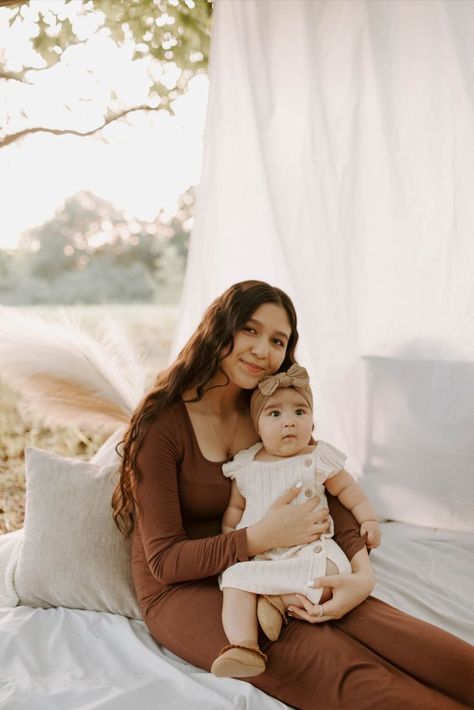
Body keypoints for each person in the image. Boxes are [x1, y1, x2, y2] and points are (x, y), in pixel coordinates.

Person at [112, 280, 473, 709]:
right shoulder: (164, 425)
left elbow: (328, 495)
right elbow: (165, 562)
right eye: (249, 329)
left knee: (415, 643)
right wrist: (262, 536)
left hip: (280, 562)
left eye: (277, 340)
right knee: (343, 671)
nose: (262, 350)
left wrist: (361, 577)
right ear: (218, 329)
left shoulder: (269, 414)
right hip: (188, 588)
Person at [211, 364, 381, 678]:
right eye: (274, 414)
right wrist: (233, 541)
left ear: (312, 420)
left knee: (334, 572)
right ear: (257, 426)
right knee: (233, 579)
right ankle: (244, 646)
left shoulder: (317, 458)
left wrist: (368, 519)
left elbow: (349, 492)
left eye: (300, 412)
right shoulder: (246, 465)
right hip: (263, 553)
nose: (289, 421)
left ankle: (276, 600)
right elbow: (234, 512)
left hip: (309, 550)